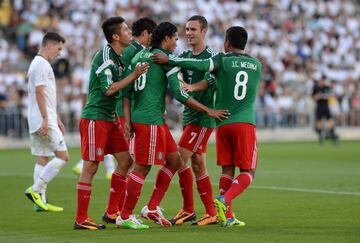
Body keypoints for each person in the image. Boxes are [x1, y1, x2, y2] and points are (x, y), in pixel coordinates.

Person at [116, 22, 229, 229]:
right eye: (175, 37)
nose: (178, 41)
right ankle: (125, 214)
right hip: (151, 120)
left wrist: (128, 120)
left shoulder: (138, 57)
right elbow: (179, 94)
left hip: (152, 119)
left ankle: (158, 207)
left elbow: (126, 92)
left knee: (176, 159)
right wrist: (208, 110)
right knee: (142, 167)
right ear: (166, 39)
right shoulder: (167, 61)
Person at [152, 26, 262, 227]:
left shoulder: (220, 59)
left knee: (225, 170)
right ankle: (223, 203)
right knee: (248, 171)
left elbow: (203, 66)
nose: (188, 32)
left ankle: (224, 215)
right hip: (244, 121)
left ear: (226, 43)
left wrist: (171, 60)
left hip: (222, 122)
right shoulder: (257, 64)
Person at [74, 16, 149, 230]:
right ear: (115, 36)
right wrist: (134, 75)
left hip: (109, 118)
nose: (130, 32)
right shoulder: (106, 56)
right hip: (95, 117)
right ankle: (81, 220)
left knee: (126, 161)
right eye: (126, 29)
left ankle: (111, 212)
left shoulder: (119, 57)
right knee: (91, 166)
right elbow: (109, 89)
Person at [167, 15, 218, 226]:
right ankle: (211, 213)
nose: (188, 33)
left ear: (204, 31)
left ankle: (188, 209)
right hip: (190, 115)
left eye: (193, 29)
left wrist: (192, 88)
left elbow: (210, 79)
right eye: (187, 29)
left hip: (203, 118)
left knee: (178, 159)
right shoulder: (185, 55)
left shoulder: (213, 57)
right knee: (198, 165)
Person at [24, 32, 68, 213]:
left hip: (40, 116)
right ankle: (35, 190)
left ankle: (39, 202)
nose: (59, 53)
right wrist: (46, 118)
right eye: (58, 49)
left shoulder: (36, 63)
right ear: (50, 46)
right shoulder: (42, 65)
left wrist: (55, 117)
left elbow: (46, 95)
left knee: (43, 157)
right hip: (43, 117)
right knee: (63, 156)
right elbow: (39, 92)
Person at [72, 75, 115, 180]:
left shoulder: (89, 75)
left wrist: (83, 111)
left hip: (92, 112)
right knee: (102, 144)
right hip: (96, 113)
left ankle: (80, 165)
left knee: (99, 144)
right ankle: (110, 170)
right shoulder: (100, 74)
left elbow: (84, 95)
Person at [312, 76, 339, 145]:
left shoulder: (327, 88)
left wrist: (325, 96)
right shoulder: (316, 88)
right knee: (319, 121)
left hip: (326, 106)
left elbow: (332, 95)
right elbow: (313, 97)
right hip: (319, 106)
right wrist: (319, 96)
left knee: (330, 120)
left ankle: (332, 135)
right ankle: (321, 136)